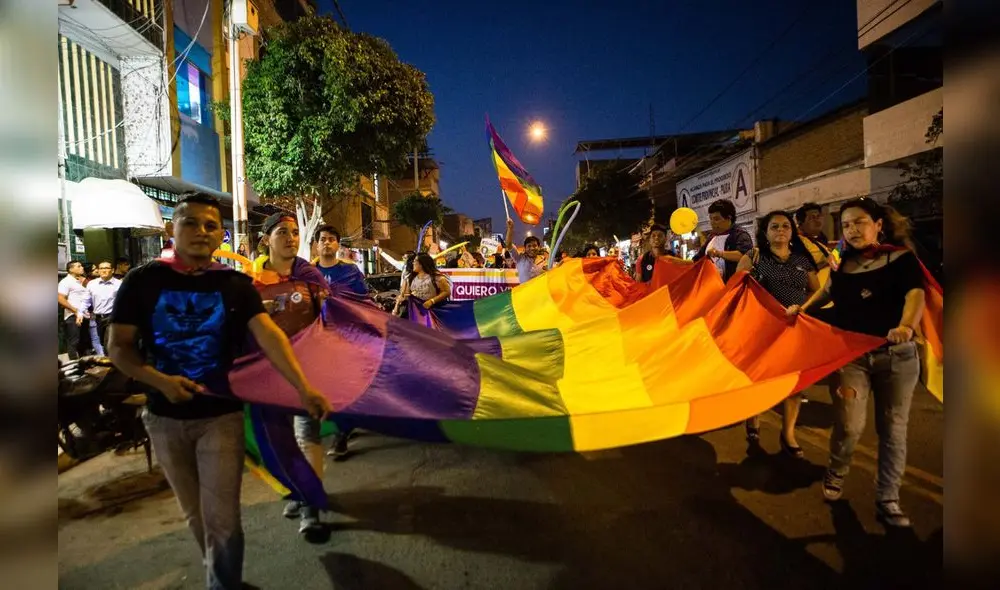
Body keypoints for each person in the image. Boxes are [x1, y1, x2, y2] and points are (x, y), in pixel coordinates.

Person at [108, 194, 333, 589]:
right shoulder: (143, 282)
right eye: (190, 223)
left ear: (219, 235)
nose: (201, 232)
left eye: (211, 225)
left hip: (221, 419)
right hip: (164, 419)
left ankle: (224, 584)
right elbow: (119, 348)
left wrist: (303, 386)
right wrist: (161, 382)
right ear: (171, 229)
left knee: (223, 517)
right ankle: (222, 577)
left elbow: (270, 336)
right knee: (196, 515)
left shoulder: (234, 285)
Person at [788, 198, 925, 528]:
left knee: (893, 429)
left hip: (897, 357)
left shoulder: (901, 258)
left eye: (859, 222)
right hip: (851, 359)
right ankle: (837, 470)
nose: (852, 230)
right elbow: (827, 292)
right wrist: (802, 309)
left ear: (878, 224)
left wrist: (906, 326)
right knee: (849, 425)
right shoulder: (841, 261)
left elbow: (915, 295)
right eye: (846, 224)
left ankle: (888, 497)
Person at [253, 213, 334, 534]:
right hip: (268, 375)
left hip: (306, 372)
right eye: (282, 232)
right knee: (279, 441)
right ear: (266, 240)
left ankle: (310, 505)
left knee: (307, 436)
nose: (291, 238)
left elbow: (330, 319)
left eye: (295, 232)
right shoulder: (251, 282)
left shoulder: (310, 278)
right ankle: (296, 490)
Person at [736, 211, 819, 458]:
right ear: (765, 232)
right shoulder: (754, 257)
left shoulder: (802, 260)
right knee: (759, 379)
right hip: (762, 330)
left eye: (785, 226)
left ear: (792, 231)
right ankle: (753, 420)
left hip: (795, 329)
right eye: (774, 227)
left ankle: (788, 434)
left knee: (794, 383)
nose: (780, 230)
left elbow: (816, 290)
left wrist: (803, 308)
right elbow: (736, 290)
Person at [694, 199, 754, 281]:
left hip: (733, 284)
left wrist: (719, 253)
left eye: (716, 219)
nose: (712, 222)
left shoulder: (740, 235)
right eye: (711, 219)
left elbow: (746, 256)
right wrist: (677, 262)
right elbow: (696, 260)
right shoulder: (711, 237)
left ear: (729, 218)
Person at [314, 225, 367, 298]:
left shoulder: (351, 271)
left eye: (331, 239)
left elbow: (363, 299)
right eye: (323, 240)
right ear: (317, 246)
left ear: (338, 245)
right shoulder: (309, 272)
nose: (327, 242)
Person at [58, 261, 93, 359]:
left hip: (84, 315)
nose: (82, 268)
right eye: (79, 266)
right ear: (71, 269)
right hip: (73, 316)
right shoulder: (66, 282)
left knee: (84, 343)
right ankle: (74, 365)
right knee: (74, 342)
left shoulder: (79, 281)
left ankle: (85, 364)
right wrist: (75, 311)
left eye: (81, 266)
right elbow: (60, 298)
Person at [87, 260, 121, 351]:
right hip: (98, 318)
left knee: (109, 341)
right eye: (101, 268)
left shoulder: (119, 284)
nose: (103, 270)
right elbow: (86, 300)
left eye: (106, 268)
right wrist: (80, 312)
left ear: (112, 270)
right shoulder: (92, 284)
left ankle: (111, 358)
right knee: (102, 341)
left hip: (112, 317)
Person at [504, 218, 546, 283]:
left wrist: (543, 272)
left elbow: (551, 275)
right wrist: (510, 229)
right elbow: (508, 244)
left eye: (534, 245)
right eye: (529, 246)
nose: (532, 248)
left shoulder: (544, 260)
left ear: (539, 247)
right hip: (524, 290)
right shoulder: (519, 258)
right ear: (525, 248)